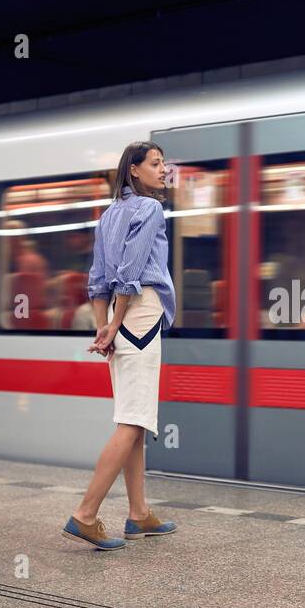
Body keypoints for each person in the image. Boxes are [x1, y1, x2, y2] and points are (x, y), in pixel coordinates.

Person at [63, 143, 178, 550]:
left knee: (135, 417)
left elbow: (97, 277)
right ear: (133, 170)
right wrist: (115, 323)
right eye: (155, 163)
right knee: (132, 422)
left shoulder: (109, 213)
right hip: (140, 314)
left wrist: (104, 325)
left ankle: (138, 513)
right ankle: (86, 514)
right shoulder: (148, 209)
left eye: (164, 162)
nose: (164, 169)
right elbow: (130, 271)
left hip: (118, 315)